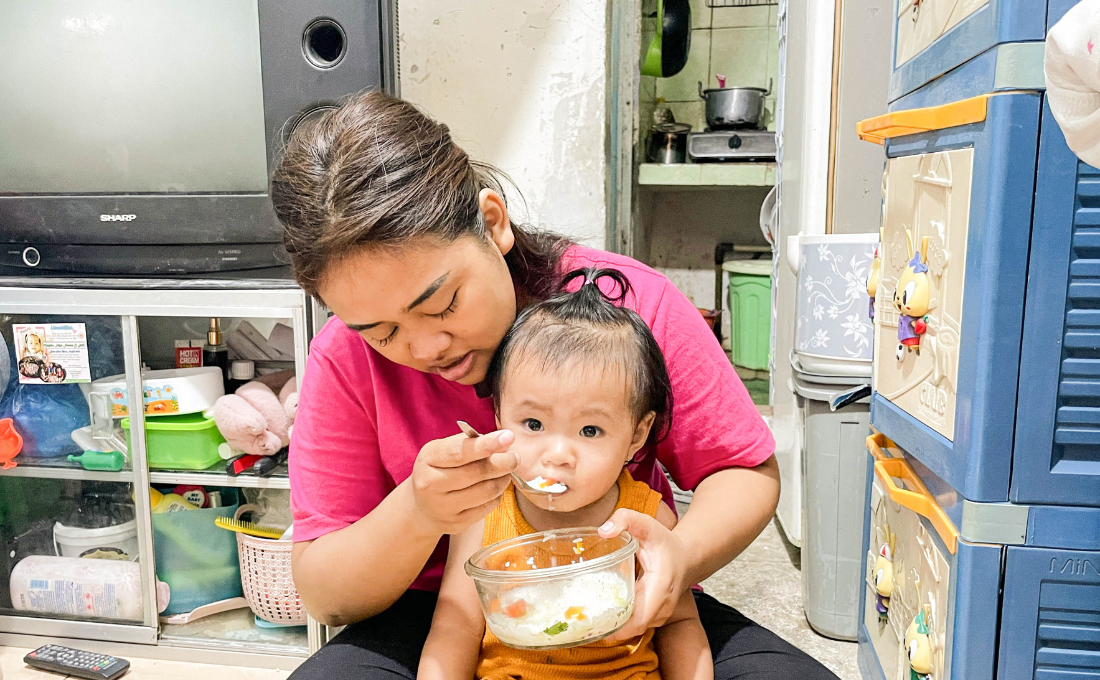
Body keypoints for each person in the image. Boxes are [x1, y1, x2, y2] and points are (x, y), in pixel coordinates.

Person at [273, 90, 837, 680]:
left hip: (625, 601)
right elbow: (325, 591)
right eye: (382, 331)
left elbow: (742, 470)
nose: (424, 349)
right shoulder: (345, 357)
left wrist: (677, 557)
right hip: (436, 612)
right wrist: (418, 512)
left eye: (442, 305)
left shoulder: (626, 308)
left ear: (493, 226)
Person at [419, 267, 712, 680]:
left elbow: (681, 624)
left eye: (590, 430)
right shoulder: (482, 513)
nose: (557, 456)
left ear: (636, 435)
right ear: (500, 415)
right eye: (533, 425)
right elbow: (456, 625)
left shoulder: (646, 518)